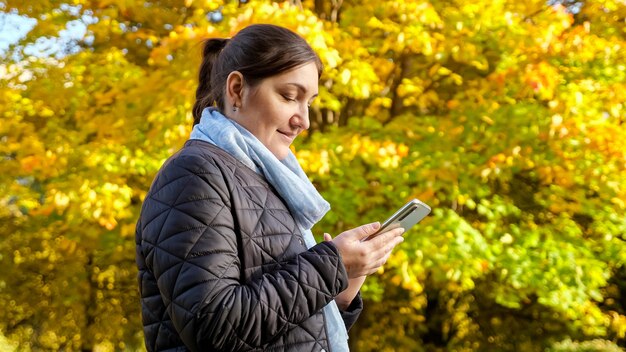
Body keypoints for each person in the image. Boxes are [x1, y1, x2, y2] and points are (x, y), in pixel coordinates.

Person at [135, 24, 405, 352]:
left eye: (309, 102)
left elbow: (288, 335)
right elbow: (213, 328)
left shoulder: (267, 183)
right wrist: (331, 266)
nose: (303, 120)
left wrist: (343, 288)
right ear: (236, 89)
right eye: (290, 97)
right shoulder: (194, 174)